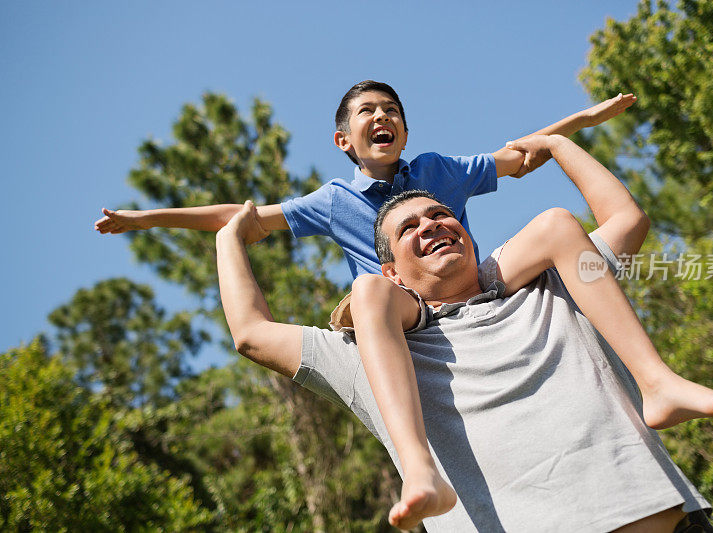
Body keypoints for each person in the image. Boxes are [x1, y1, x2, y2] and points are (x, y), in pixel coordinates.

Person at [94, 81, 640, 525]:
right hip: (397, 310)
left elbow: (522, 154)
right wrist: (146, 219)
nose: (383, 116)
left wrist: (580, 123)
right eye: (368, 111)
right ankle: (417, 466)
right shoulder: (335, 201)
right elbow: (245, 221)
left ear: (403, 129)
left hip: (469, 280)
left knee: (553, 234)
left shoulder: (435, 171)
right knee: (369, 298)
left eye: (393, 110)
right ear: (343, 140)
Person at [215, 134, 713, 531]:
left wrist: (560, 145)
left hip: (666, 520)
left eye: (441, 215)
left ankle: (658, 382)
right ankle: (421, 471)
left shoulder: (556, 285)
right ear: (393, 272)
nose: (430, 225)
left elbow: (626, 219)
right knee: (366, 297)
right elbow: (251, 333)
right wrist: (228, 239)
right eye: (409, 228)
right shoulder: (375, 353)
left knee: (558, 220)